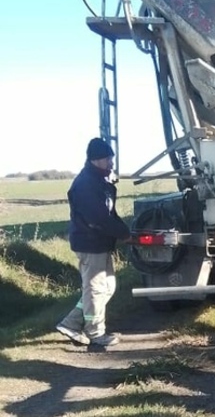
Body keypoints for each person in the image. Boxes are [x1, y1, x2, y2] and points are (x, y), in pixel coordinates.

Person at [55, 138, 131, 348]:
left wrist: (125, 232)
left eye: (111, 158)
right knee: (96, 289)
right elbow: (98, 218)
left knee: (106, 287)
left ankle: (71, 323)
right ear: (96, 160)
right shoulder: (85, 184)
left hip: (100, 243)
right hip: (90, 243)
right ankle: (96, 333)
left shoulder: (101, 183)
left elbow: (110, 214)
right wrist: (123, 235)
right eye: (107, 159)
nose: (111, 163)